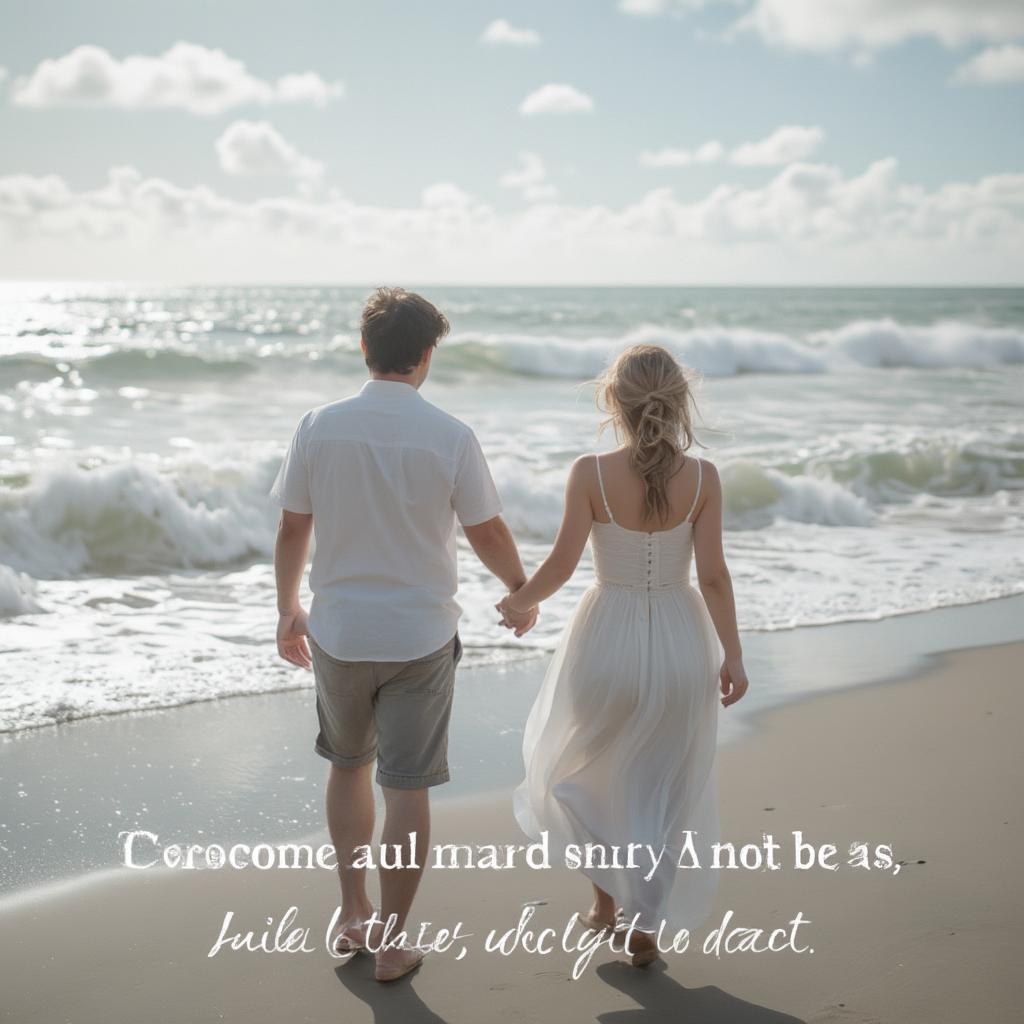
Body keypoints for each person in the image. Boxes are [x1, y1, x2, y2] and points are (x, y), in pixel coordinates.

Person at [269, 287, 536, 982]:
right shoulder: (449, 434)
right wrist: (519, 591)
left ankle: (353, 912)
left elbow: (293, 525)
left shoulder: (317, 425)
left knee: (347, 764)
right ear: (425, 356)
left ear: (365, 349)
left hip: (341, 632)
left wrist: (286, 607)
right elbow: (486, 529)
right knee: (408, 788)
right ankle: (392, 939)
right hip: (420, 636)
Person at [497, 343, 748, 968]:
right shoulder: (705, 479)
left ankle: (606, 905)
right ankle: (645, 924)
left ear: (615, 400)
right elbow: (714, 576)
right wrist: (733, 656)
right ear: (680, 400)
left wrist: (519, 602)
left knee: (588, 767)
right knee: (663, 782)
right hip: (681, 638)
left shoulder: (590, 472)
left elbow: (560, 564)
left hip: (606, 634)